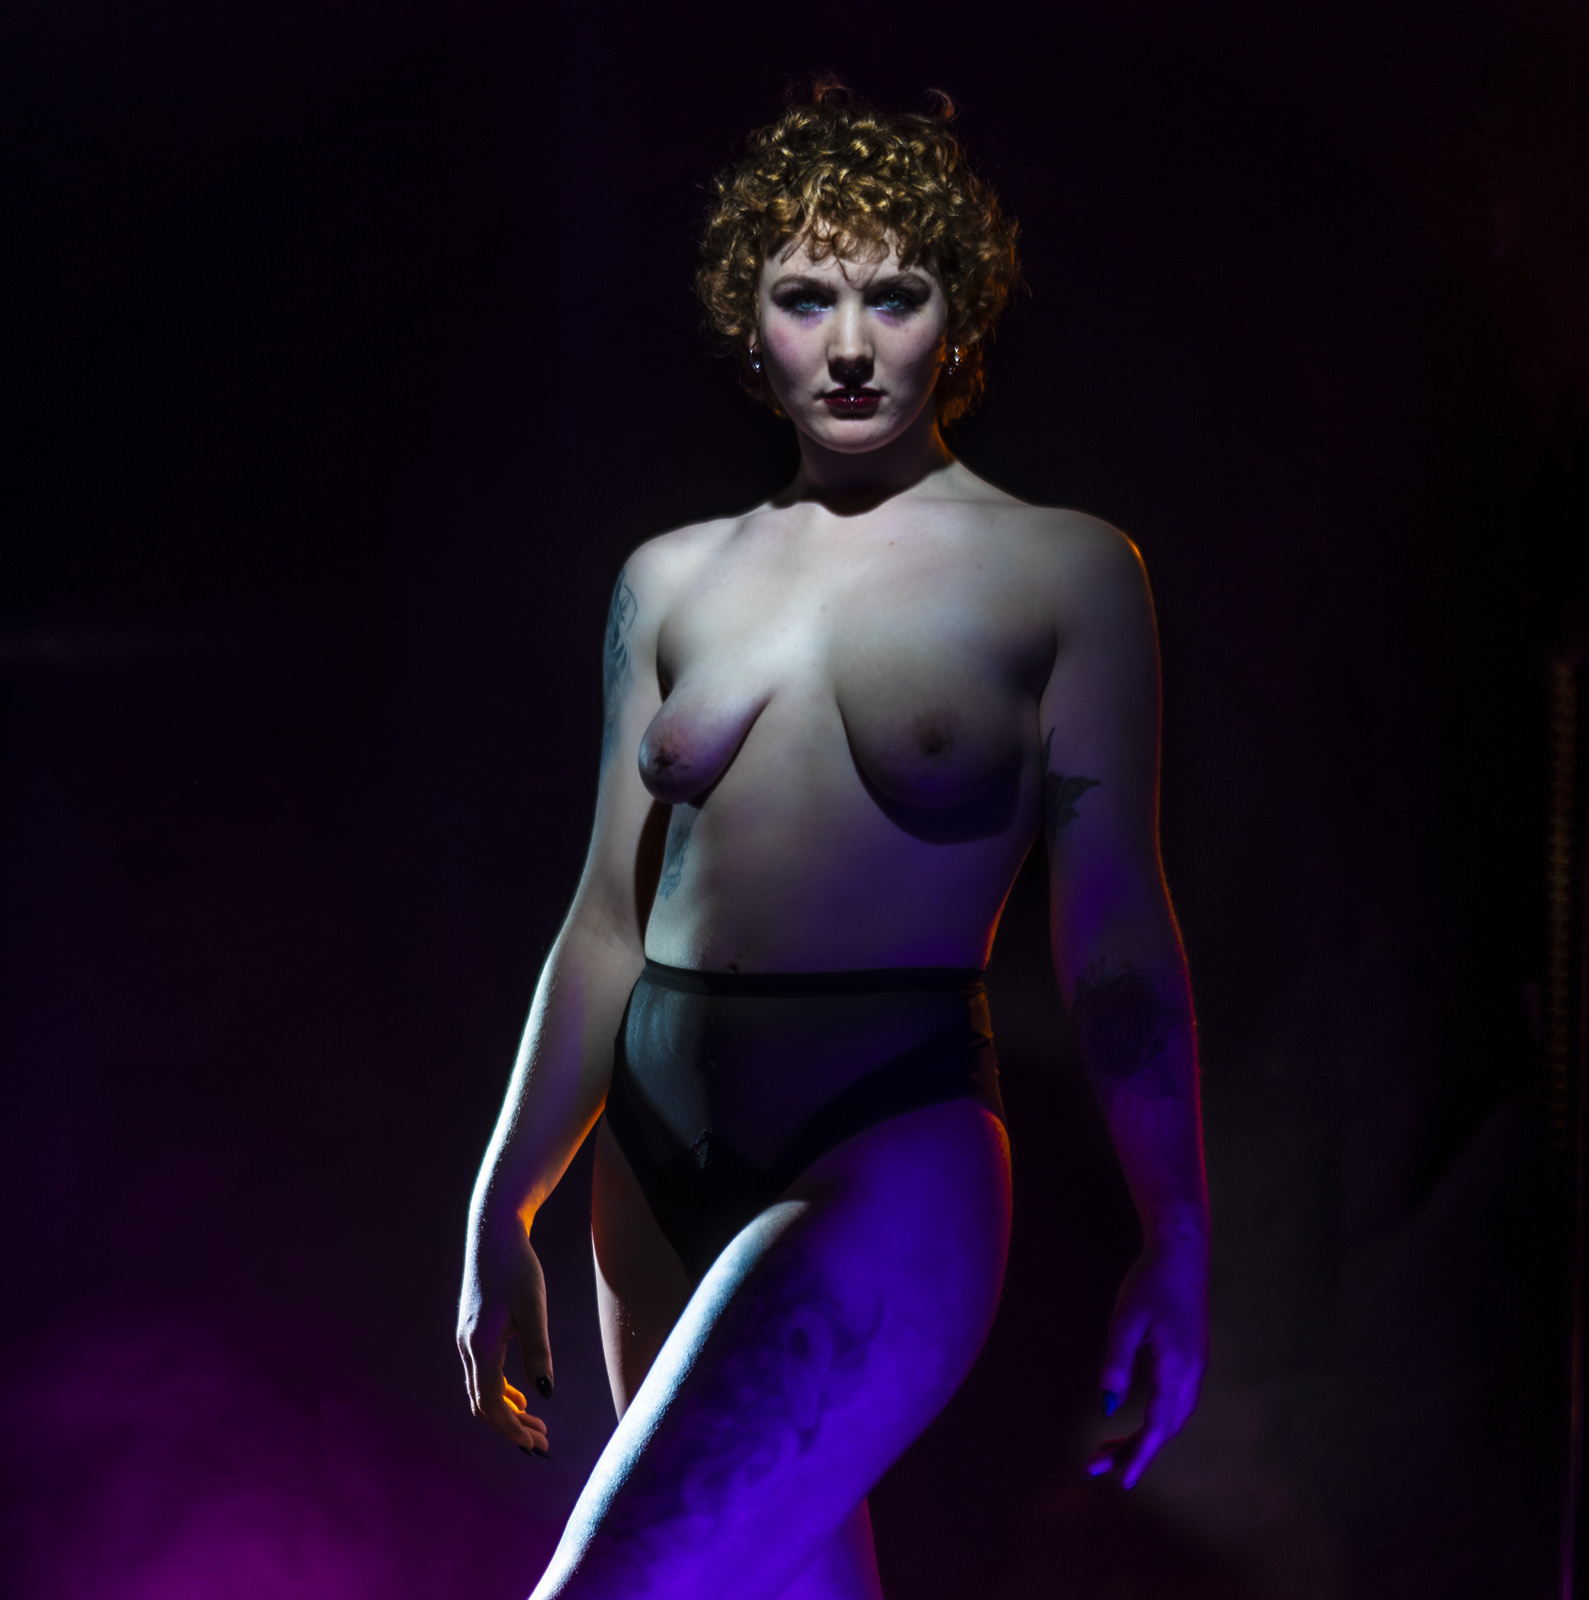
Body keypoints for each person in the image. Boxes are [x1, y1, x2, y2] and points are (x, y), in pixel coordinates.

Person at [457, 80, 1209, 1600]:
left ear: (958, 315)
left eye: (895, 295)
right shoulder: (669, 580)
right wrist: (498, 1204)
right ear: (753, 325)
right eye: (808, 298)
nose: (851, 346)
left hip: (888, 1134)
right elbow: (607, 920)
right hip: (650, 1152)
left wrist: (1176, 1232)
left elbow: (1114, 925)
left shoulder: (1066, 574)